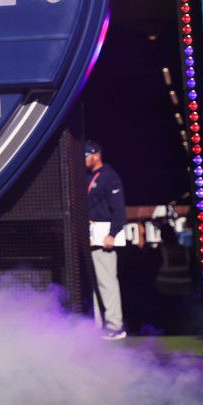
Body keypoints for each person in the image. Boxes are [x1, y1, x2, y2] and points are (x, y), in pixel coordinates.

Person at [85, 140, 127, 340]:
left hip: (104, 236)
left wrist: (113, 233)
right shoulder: (87, 176)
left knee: (107, 282)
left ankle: (115, 326)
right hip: (91, 234)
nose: (84, 159)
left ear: (96, 155)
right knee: (95, 284)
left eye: (86, 155)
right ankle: (98, 325)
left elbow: (118, 209)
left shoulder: (109, 177)